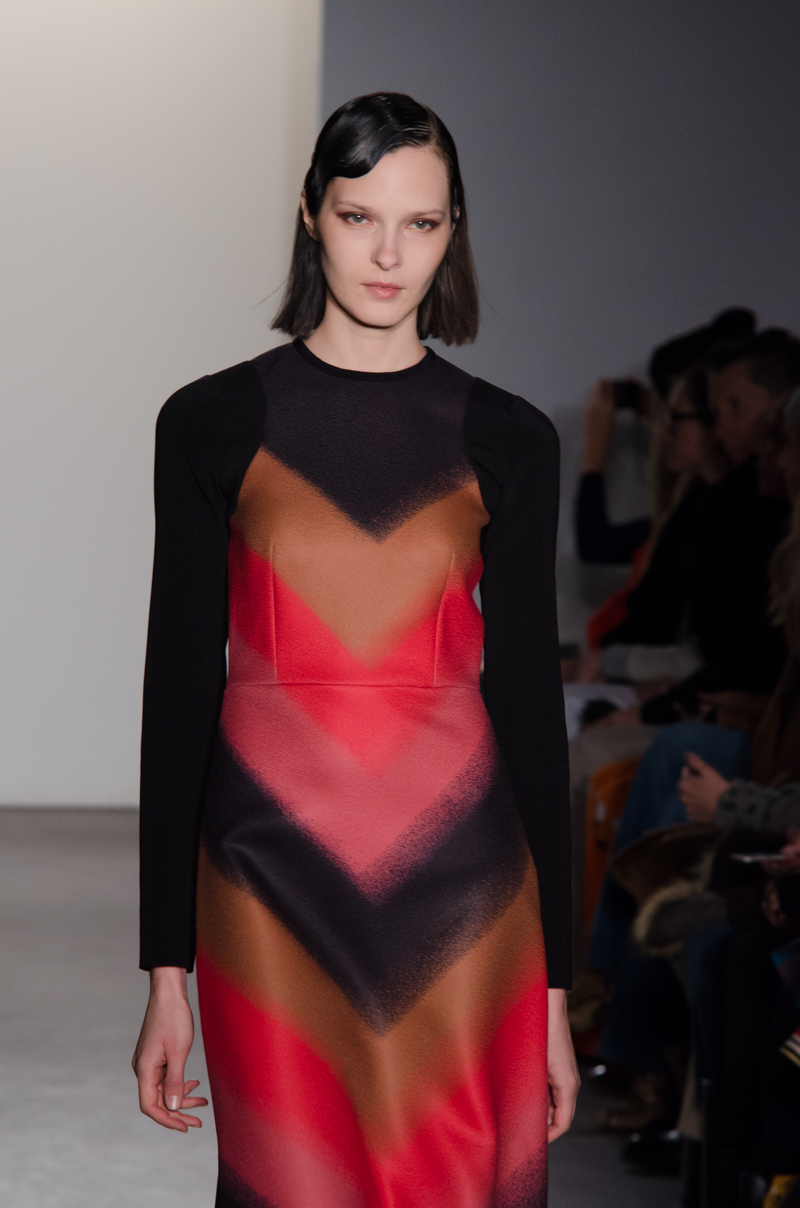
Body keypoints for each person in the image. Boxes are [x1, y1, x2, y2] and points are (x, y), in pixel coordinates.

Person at [132, 92, 577, 1208]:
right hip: (267, 884)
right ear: (309, 215)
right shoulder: (212, 421)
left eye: (420, 223)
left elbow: (530, 709)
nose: (387, 254)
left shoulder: (508, 437)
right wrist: (164, 970)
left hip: (465, 889)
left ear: (454, 229)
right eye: (357, 216)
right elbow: (178, 692)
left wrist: (556, 994)